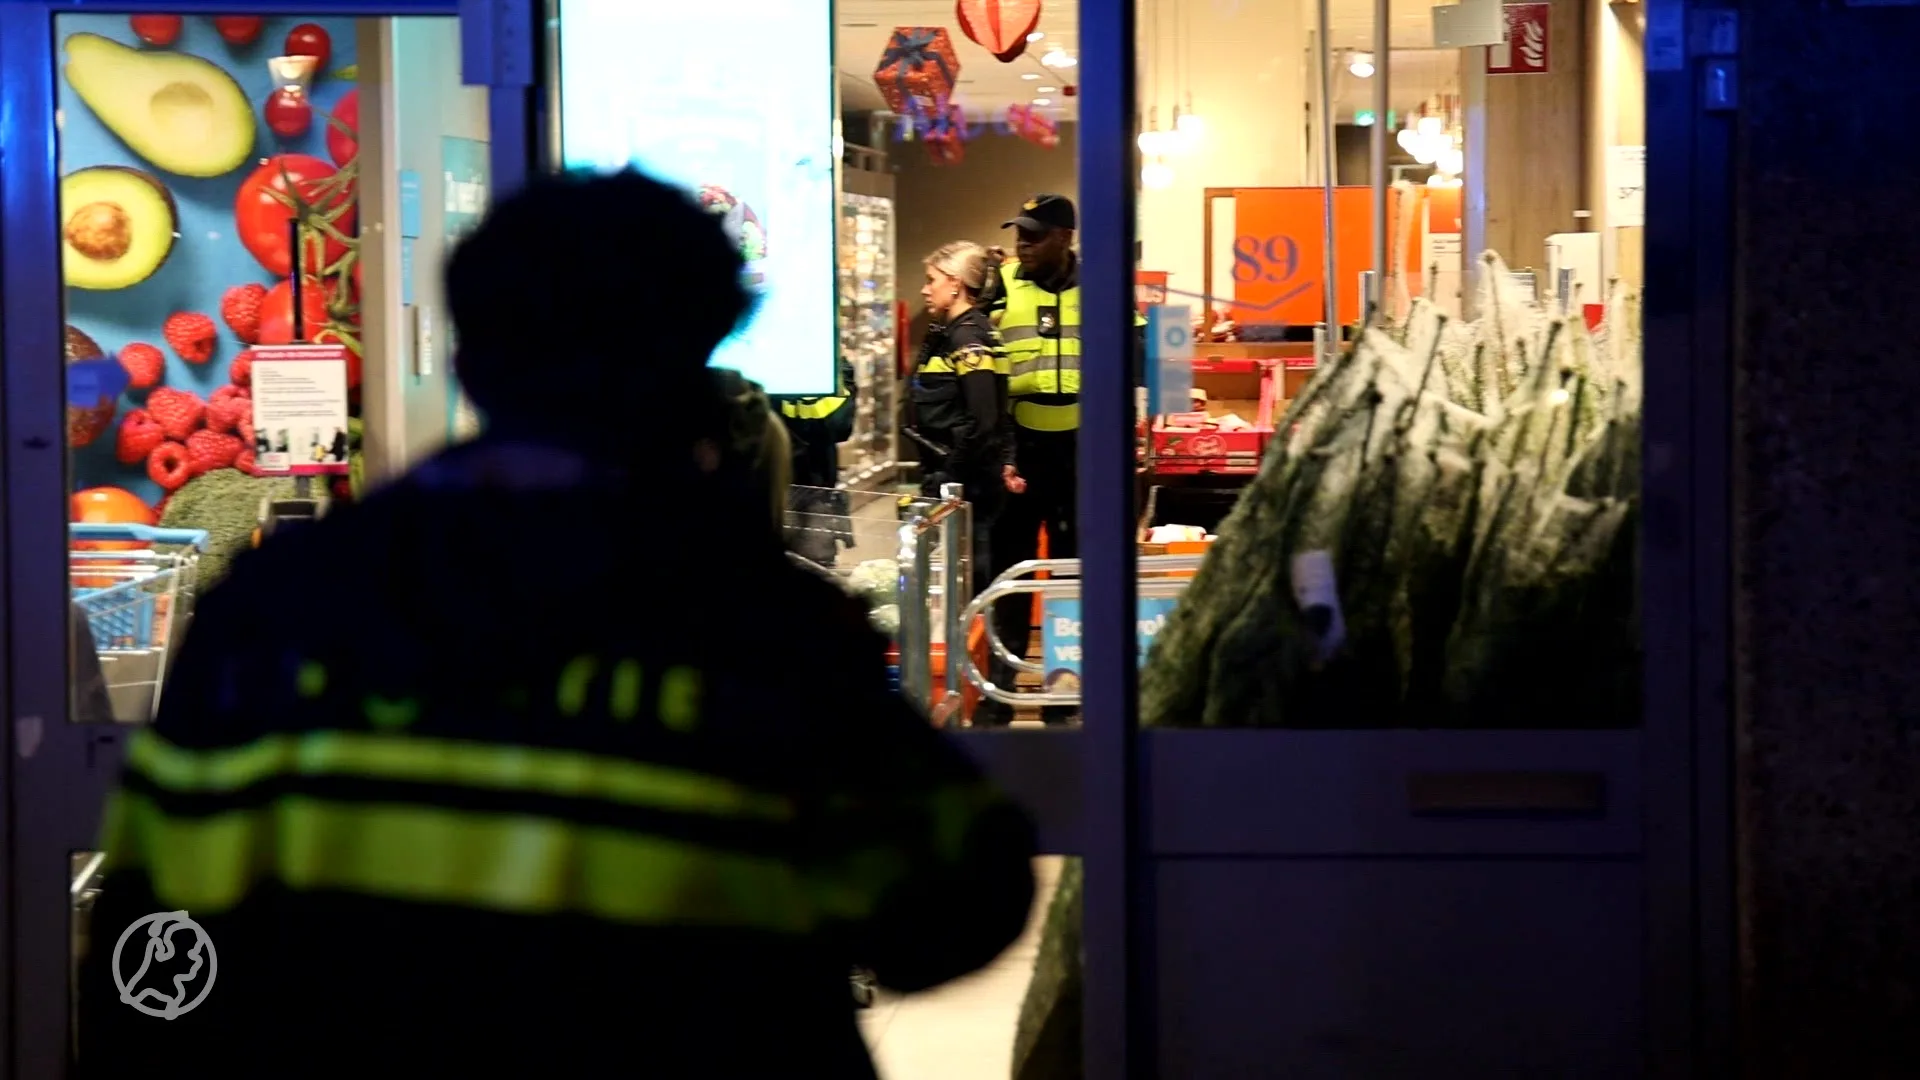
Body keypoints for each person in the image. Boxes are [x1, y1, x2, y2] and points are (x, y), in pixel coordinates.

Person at [75, 167, 1038, 1080]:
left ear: (469, 356)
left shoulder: (274, 611)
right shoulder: (761, 631)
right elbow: (953, 908)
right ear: (704, 348)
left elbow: (154, 956)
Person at [983, 194, 1145, 725]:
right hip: (1020, 449)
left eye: (1034, 234)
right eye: (1018, 233)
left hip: (1083, 449)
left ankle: (1065, 689)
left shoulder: (1104, 287)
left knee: (1073, 571)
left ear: (1065, 238)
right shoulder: (1000, 284)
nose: (1021, 244)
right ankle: (1000, 692)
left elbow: (1141, 357)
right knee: (1011, 572)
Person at [907, 241, 1010, 641]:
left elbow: (983, 417)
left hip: (968, 487)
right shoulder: (955, 332)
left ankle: (980, 689)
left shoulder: (968, 337)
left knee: (973, 590)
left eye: (931, 280)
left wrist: (948, 475)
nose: (924, 289)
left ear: (955, 284)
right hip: (960, 480)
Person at [775, 359, 858, 566]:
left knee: (815, 566)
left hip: (812, 491)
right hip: (770, 489)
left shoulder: (831, 363)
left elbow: (839, 425)